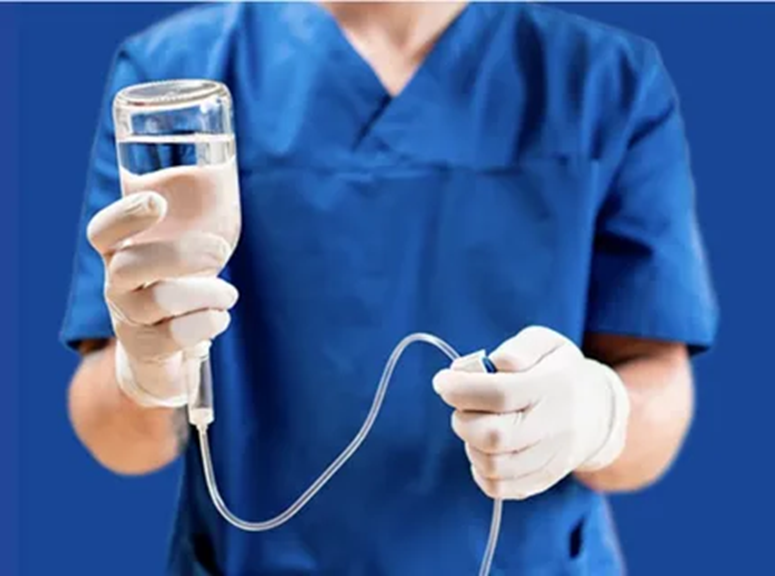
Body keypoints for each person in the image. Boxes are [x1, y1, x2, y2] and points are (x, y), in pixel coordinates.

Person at [61, 2, 718, 575]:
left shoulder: (603, 80)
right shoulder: (176, 74)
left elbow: (655, 383)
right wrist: (148, 375)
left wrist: (599, 417)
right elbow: (113, 435)